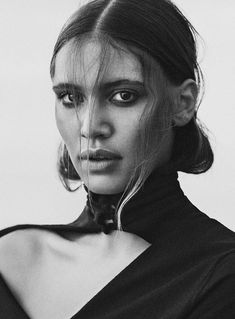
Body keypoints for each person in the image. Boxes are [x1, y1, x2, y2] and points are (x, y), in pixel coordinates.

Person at [0, 0, 234, 318]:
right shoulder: (9, 255)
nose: (89, 127)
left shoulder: (221, 274)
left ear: (183, 103)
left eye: (123, 95)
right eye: (70, 98)